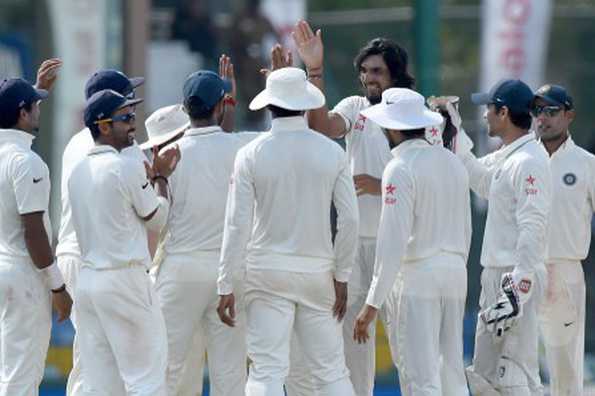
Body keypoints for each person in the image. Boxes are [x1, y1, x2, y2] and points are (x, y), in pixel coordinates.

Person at [291, 19, 416, 396]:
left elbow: (426, 176)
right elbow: (321, 127)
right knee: (353, 345)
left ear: (395, 74)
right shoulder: (356, 107)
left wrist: (381, 186)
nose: (368, 78)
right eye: (364, 71)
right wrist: (314, 70)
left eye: (377, 71)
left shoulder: (415, 112)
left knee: (406, 343)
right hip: (352, 245)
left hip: (397, 247)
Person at [217, 67, 359, 396]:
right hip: (318, 272)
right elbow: (349, 220)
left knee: (266, 370)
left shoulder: (250, 153)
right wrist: (342, 274)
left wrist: (226, 282)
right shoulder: (331, 151)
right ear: (307, 106)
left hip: (266, 272)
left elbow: (237, 223)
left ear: (269, 106)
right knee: (331, 372)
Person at [352, 88, 471, 395]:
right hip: (456, 273)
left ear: (392, 127)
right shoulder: (452, 161)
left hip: (418, 278)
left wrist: (371, 304)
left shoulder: (399, 168)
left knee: (420, 378)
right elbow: (467, 229)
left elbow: (392, 240)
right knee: (451, 375)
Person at [153, 69, 258, 396]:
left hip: (180, 270)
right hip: (229, 272)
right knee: (230, 377)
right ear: (221, 107)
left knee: (164, 370)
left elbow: (158, 217)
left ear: (185, 110)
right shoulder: (243, 147)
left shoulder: (167, 155)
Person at [68, 89, 180, 395]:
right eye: (126, 118)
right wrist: (162, 178)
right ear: (103, 126)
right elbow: (156, 218)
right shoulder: (124, 165)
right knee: (146, 379)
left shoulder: (77, 172)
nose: (133, 124)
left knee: (99, 385)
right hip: (125, 280)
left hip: (90, 283)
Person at [457, 79, 551, 395]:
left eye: (489, 108)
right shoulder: (510, 156)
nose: (485, 115)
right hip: (498, 273)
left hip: (514, 274)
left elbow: (533, 225)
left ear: (504, 111)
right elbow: (480, 180)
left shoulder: (528, 161)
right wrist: (453, 133)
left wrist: (517, 289)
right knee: (485, 374)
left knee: (516, 370)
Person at [56, 68, 146, 396]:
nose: (131, 109)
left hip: (75, 255)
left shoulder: (77, 142)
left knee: (91, 359)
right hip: (100, 260)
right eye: (125, 102)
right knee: (119, 363)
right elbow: (147, 211)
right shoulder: (121, 147)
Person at [0, 75, 72, 395]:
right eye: (35, 106)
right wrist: (57, 285)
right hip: (24, 275)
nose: (39, 111)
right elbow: (34, 234)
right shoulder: (28, 163)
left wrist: (32, 90)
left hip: (4, 268)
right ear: (23, 114)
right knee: (22, 376)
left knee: (9, 369)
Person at [532, 84, 594, 396]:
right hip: (521, 272)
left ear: (569, 115)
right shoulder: (520, 159)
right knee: (512, 364)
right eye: (538, 111)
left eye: (552, 111)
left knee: (565, 368)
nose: (543, 118)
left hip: (566, 270)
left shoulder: (586, 164)